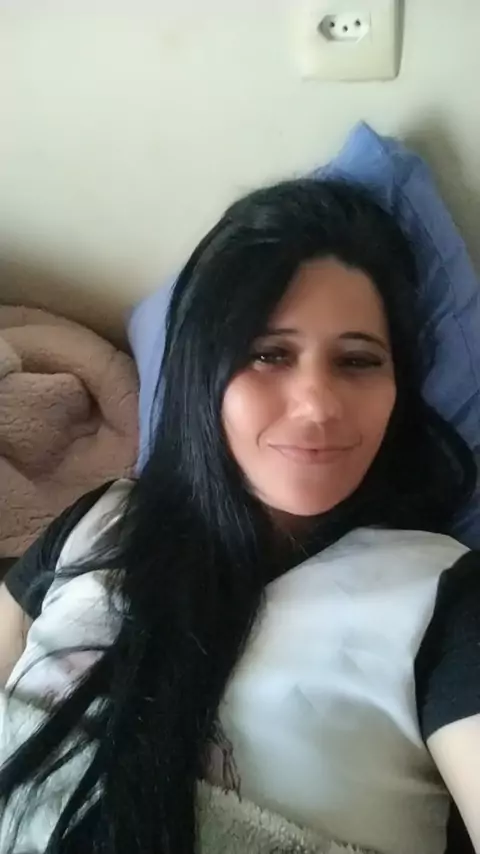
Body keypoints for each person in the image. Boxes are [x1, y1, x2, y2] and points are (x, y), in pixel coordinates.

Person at [0, 179, 479, 854]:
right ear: (203, 371)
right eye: (269, 354)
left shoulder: (446, 598)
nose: (317, 403)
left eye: (358, 360)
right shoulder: (99, 521)